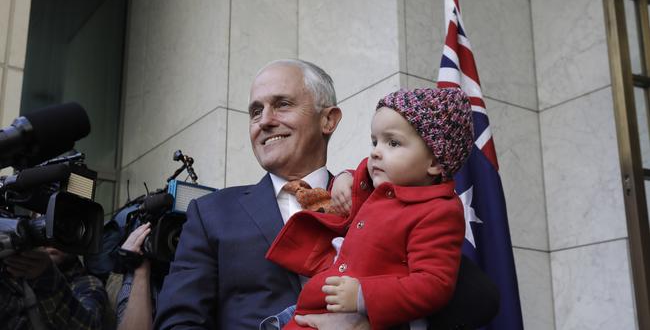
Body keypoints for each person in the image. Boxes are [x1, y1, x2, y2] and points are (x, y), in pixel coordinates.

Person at [154, 59, 372, 329]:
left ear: (328, 119)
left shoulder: (370, 203)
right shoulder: (211, 213)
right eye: (256, 111)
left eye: (282, 104)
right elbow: (179, 322)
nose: (265, 121)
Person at [265, 88, 473, 329]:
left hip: (358, 316)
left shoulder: (438, 211)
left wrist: (363, 295)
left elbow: (433, 284)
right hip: (310, 311)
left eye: (393, 143)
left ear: (435, 162)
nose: (376, 151)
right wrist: (345, 176)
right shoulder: (381, 187)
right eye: (375, 141)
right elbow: (362, 177)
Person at [0, 246, 109, 329]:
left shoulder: (87, 284)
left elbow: (87, 326)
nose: (50, 241)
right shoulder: (13, 274)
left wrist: (46, 277)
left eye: (60, 232)